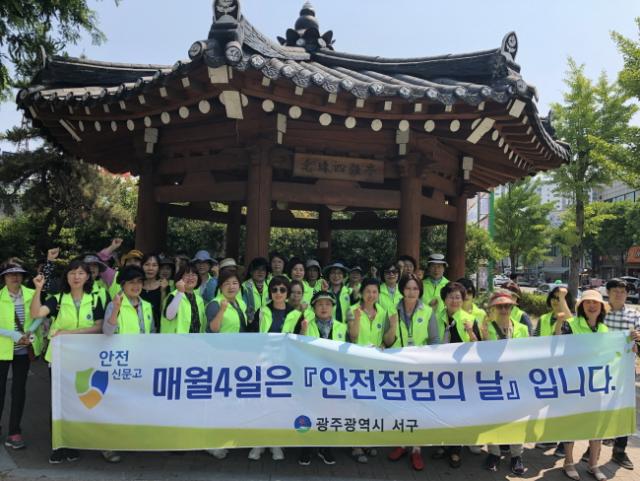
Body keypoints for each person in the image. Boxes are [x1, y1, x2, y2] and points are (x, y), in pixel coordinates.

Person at [30, 258, 105, 464]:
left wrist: (70, 333)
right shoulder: (57, 299)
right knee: (58, 402)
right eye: (72, 273)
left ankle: (73, 444)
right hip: (59, 358)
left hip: (85, 359)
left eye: (81, 273)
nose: (76, 277)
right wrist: (38, 289)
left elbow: (99, 327)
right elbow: (36, 313)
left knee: (79, 401)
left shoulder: (95, 299)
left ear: (88, 277)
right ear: (67, 277)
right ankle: (58, 445)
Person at [385, 273, 439, 471]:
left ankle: (416, 449)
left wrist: (427, 361)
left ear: (420, 291)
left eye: (415, 288)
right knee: (400, 406)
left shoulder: (428, 311)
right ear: (402, 290)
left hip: (419, 368)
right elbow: (387, 341)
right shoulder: (391, 310)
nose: (411, 292)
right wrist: (392, 325)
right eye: (408, 288)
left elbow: (434, 340)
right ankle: (401, 443)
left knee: (419, 408)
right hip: (397, 366)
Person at [101, 265, 153, 464]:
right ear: (122, 284)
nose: (136, 286)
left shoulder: (146, 305)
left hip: (141, 362)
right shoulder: (115, 304)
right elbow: (107, 331)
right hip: (120, 363)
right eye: (131, 282)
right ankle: (108, 445)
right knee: (115, 404)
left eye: (139, 282)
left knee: (134, 403)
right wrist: (115, 308)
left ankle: (128, 440)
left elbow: (152, 332)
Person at [560, 290, 609, 481]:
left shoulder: (604, 329)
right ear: (581, 306)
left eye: (595, 302)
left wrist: (629, 341)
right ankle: (568, 462)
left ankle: (593, 464)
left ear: (601, 307)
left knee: (596, 426)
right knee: (571, 423)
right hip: (574, 384)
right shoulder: (571, 325)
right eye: (587, 302)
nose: (592, 305)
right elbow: (564, 351)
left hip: (596, 385)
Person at [431, 282, 480, 469]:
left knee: (458, 412)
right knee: (442, 410)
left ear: (463, 299)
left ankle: (456, 450)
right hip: (439, 372)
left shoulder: (470, 319)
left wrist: (470, 332)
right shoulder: (435, 317)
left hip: (461, 375)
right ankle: (443, 445)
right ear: (444, 299)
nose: (454, 300)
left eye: (458, 297)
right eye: (451, 297)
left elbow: (479, 348)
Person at [479, 291, 528, 475]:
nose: (504, 309)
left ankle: (516, 455)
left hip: (515, 380)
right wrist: (484, 336)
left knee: (516, 419)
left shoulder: (522, 328)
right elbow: (481, 355)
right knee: (492, 417)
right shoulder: (487, 327)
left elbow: (528, 353)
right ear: (493, 308)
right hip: (493, 380)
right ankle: (494, 453)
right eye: (500, 306)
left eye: (507, 306)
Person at [297, 291, 346, 467]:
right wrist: (302, 331)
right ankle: (307, 446)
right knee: (309, 411)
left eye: (327, 304)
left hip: (334, 379)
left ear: (333, 307)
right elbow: (297, 348)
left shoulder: (342, 327)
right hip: (312, 377)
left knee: (330, 412)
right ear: (313, 308)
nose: (324, 307)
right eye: (319, 304)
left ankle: (325, 447)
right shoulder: (306, 325)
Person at [0, 263, 44, 450]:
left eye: (18, 274)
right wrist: (14, 335)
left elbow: (40, 315)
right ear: (4, 278)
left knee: (19, 391)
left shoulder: (32, 294)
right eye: (10, 275)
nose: (15, 277)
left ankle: (14, 432)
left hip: (24, 350)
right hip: (2, 350)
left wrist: (29, 332)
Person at [598, 278, 639, 470]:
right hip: (601, 369)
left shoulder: (634, 315)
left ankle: (620, 451)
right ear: (607, 293)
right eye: (615, 291)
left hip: (625, 370)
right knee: (598, 408)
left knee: (624, 409)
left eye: (623, 292)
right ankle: (592, 449)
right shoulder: (600, 312)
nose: (619, 295)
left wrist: (638, 340)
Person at [160, 263, 205, 334]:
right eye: (187, 275)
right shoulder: (173, 295)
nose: (191, 278)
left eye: (194, 275)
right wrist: (180, 292)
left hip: (195, 339)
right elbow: (169, 316)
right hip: (177, 339)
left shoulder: (199, 299)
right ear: (180, 278)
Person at [140, 254, 167, 333]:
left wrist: (163, 291)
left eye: (154, 265)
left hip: (157, 329)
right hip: (137, 327)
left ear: (159, 268)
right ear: (141, 266)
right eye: (147, 264)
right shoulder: (136, 285)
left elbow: (164, 312)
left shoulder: (164, 285)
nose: (150, 268)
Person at [242, 257, 269, 322]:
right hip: (251, 324)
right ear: (251, 272)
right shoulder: (244, 287)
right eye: (257, 269)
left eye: (263, 269)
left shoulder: (271, 284)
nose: (260, 272)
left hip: (268, 323)